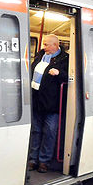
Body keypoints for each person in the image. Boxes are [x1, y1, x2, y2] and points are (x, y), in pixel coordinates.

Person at [28, 34, 68, 173]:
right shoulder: (39, 56)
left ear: (55, 45)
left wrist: (59, 73)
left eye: (46, 44)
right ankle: (33, 159)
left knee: (49, 133)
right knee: (36, 131)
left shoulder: (65, 59)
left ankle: (44, 161)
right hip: (37, 101)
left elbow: (70, 77)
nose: (43, 47)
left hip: (53, 103)